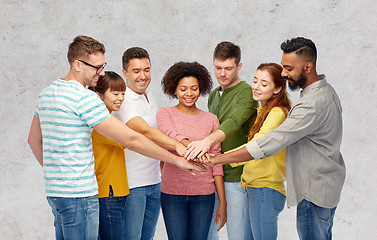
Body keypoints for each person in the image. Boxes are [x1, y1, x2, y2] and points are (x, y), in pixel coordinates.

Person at [27, 36, 205, 240]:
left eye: (103, 66)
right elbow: (132, 139)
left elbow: (33, 140)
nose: (101, 73)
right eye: (96, 67)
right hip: (80, 194)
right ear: (77, 64)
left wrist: (58, 175)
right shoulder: (85, 98)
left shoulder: (47, 93)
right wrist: (176, 159)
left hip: (56, 193)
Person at [206, 37, 346, 240]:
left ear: (307, 67)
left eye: (289, 68)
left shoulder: (310, 104)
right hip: (322, 187)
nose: (284, 73)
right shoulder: (323, 93)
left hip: (313, 191)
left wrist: (216, 160)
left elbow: (265, 144)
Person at [185, 41, 258, 240]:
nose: (222, 74)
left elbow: (233, 123)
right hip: (213, 176)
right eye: (218, 68)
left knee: (238, 236)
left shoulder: (247, 93)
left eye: (228, 68)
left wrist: (205, 142)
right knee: (207, 234)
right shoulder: (214, 95)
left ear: (239, 66)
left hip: (236, 177)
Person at [112, 47, 187, 240]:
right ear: (124, 73)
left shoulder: (149, 96)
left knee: (148, 237)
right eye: (136, 71)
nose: (142, 76)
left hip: (154, 182)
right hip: (132, 186)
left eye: (146, 70)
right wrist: (178, 146)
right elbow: (145, 131)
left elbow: (160, 131)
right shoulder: (123, 99)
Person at [156, 61, 226, 240]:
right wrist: (196, 148)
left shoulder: (211, 119)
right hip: (172, 193)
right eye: (183, 89)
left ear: (200, 88)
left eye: (194, 88)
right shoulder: (165, 113)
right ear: (174, 89)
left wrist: (222, 202)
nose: (189, 93)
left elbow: (217, 161)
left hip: (204, 194)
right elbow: (170, 134)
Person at [228, 63, 291, 239]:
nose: (256, 87)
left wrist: (220, 159)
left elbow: (257, 145)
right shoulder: (263, 111)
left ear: (278, 88)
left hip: (265, 189)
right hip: (255, 188)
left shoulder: (277, 113)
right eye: (255, 81)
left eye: (264, 84)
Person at [89, 71, 128, 240]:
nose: (120, 98)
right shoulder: (102, 124)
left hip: (115, 191)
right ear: (99, 94)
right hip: (108, 193)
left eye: (123, 93)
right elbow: (133, 141)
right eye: (115, 93)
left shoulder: (108, 120)